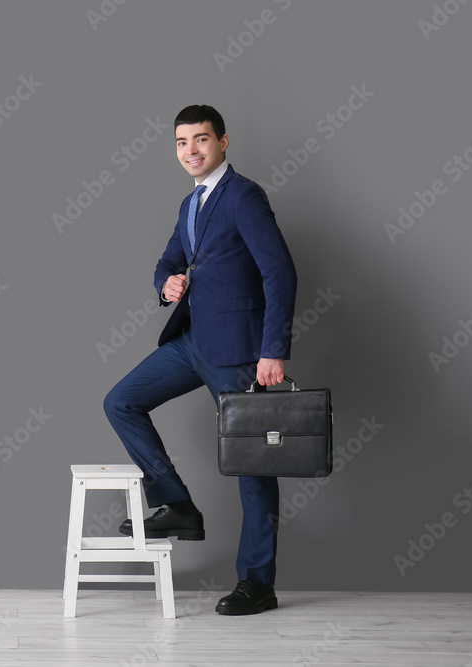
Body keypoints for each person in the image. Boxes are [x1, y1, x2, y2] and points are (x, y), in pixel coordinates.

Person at [103, 104, 297, 615]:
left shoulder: (244, 196)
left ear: (224, 142)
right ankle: (179, 505)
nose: (190, 151)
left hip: (238, 352)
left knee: (253, 468)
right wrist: (164, 285)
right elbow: (170, 261)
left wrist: (272, 349)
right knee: (121, 401)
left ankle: (258, 583)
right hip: (191, 342)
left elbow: (280, 273)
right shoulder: (190, 204)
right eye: (181, 142)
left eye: (201, 140)